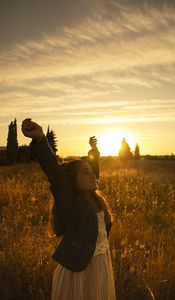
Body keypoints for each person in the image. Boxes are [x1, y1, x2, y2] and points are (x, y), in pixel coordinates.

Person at [21, 118, 116, 300]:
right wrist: (41, 139)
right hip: (79, 268)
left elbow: (94, 173)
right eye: (85, 173)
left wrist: (93, 151)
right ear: (72, 181)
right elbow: (55, 174)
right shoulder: (70, 200)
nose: (93, 177)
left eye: (92, 173)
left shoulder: (95, 198)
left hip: (101, 264)